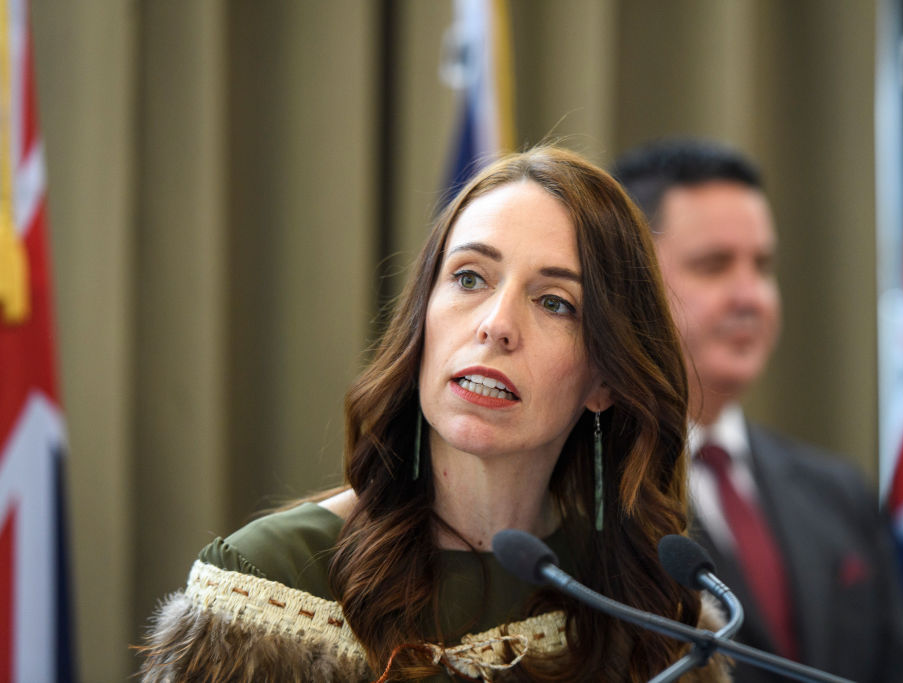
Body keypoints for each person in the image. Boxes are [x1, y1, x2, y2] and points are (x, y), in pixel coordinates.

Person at [138, 146, 731, 682]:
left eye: (555, 302)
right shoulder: (269, 584)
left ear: (604, 379)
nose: (496, 325)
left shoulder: (643, 609)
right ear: (423, 318)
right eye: (469, 277)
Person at [613, 139, 903, 683]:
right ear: (629, 284)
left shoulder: (839, 491)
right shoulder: (591, 496)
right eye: (714, 266)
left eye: (762, 266)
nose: (751, 295)